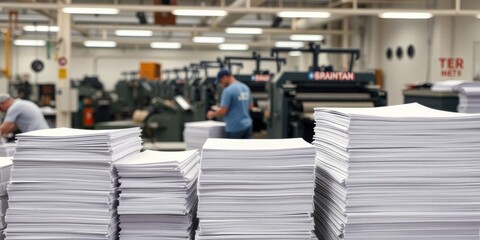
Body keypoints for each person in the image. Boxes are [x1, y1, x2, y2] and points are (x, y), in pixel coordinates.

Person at [207, 69, 253, 139]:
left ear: (225, 77)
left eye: (220, 81)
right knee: (246, 149)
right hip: (247, 126)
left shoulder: (228, 90)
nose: (221, 84)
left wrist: (212, 114)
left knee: (233, 149)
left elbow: (223, 111)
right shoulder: (245, 87)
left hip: (234, 128)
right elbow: (250, 106)